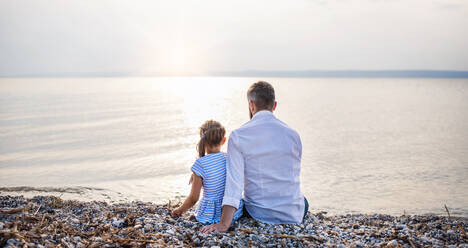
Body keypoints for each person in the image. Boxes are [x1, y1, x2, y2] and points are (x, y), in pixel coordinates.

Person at [201, 81, 308, 233]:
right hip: (293, 213)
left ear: (251, 105)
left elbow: (234, 184)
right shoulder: (293, 135)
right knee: (304, 202)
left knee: (246, 202)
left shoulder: (239, 136)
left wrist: (223, 224)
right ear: (274, 105)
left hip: (259, 213)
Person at [172, 120, 243, 224]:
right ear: (223, 141)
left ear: (203, 141)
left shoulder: (200, 164)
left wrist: (180, 210)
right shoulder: (228, 158)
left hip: (210, 214)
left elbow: (193, 198)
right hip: (232, 211)